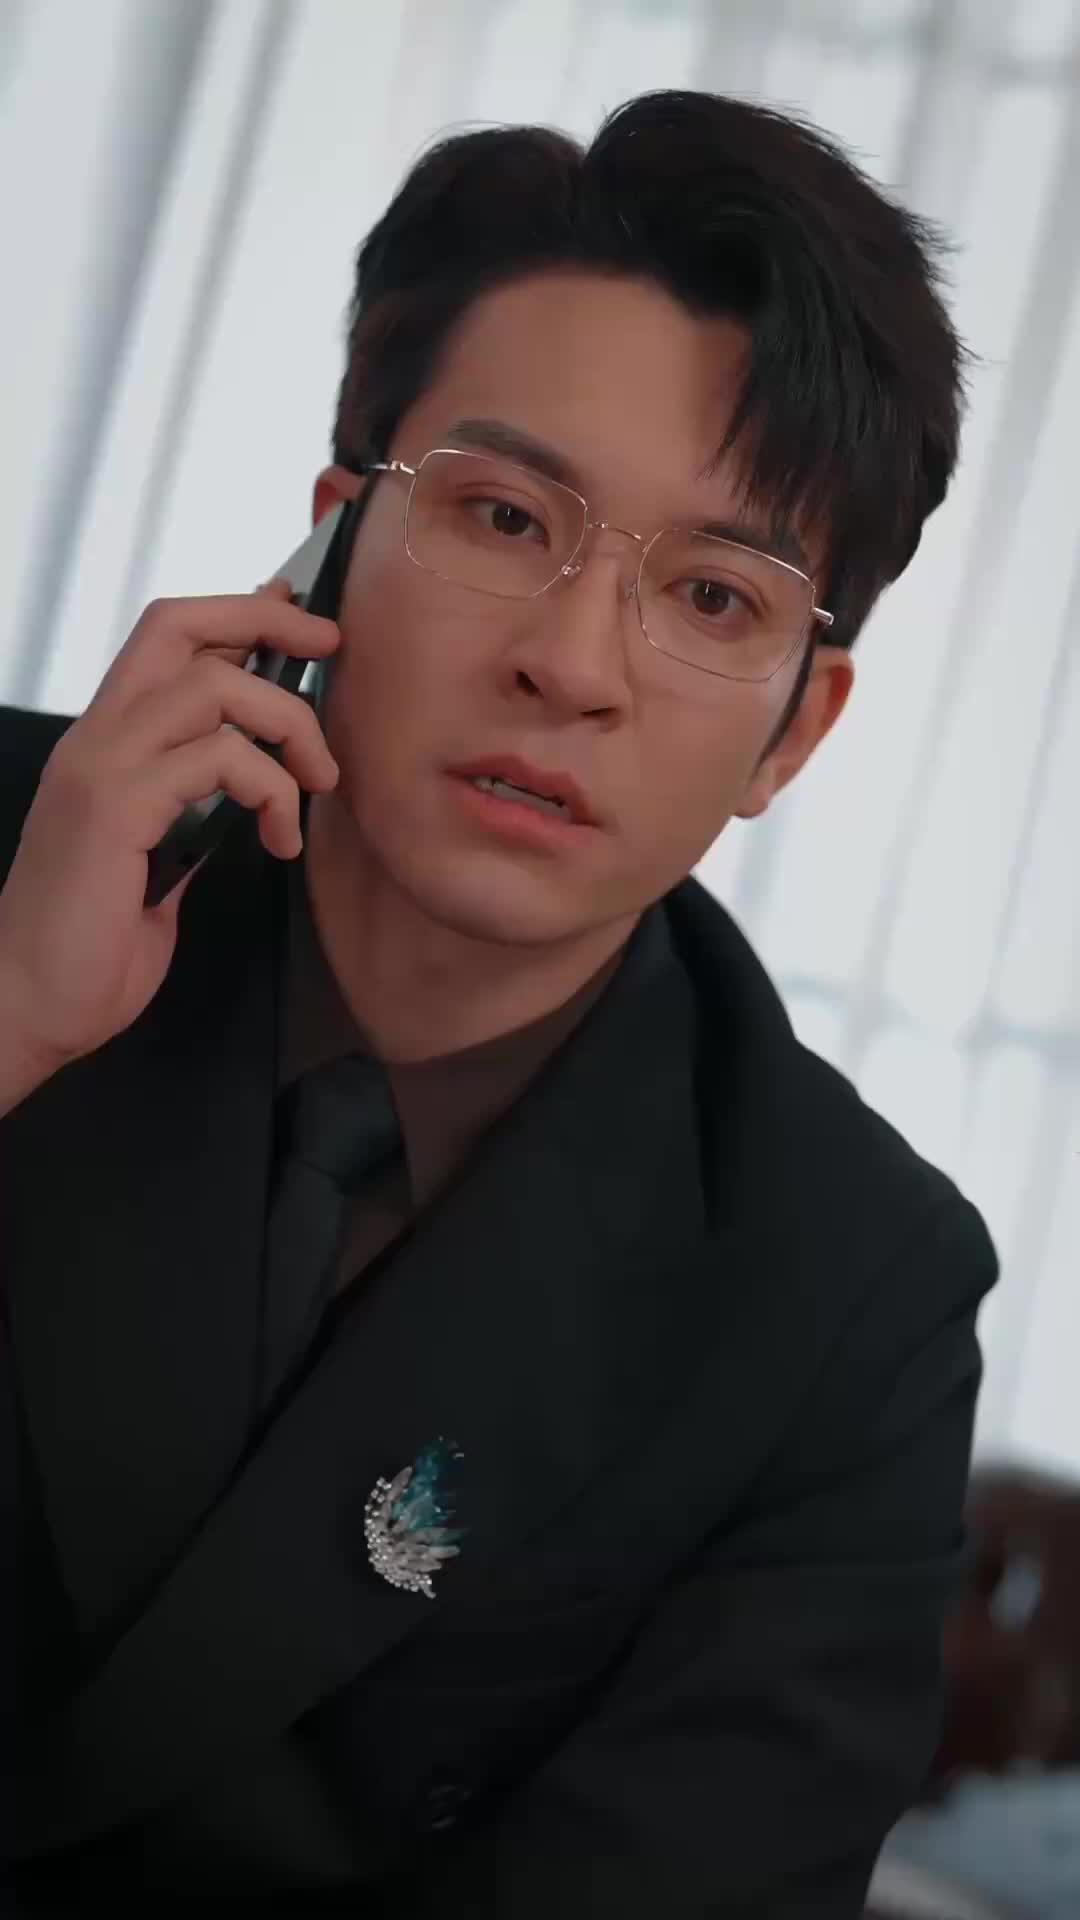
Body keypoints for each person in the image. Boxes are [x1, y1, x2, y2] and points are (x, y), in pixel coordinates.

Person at [1, 89, 998, 1916]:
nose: (572, 663)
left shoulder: (846, 1292)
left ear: (799, 727)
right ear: (332, 546)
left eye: (715, 596)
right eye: (504, 513)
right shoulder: (20, 847)